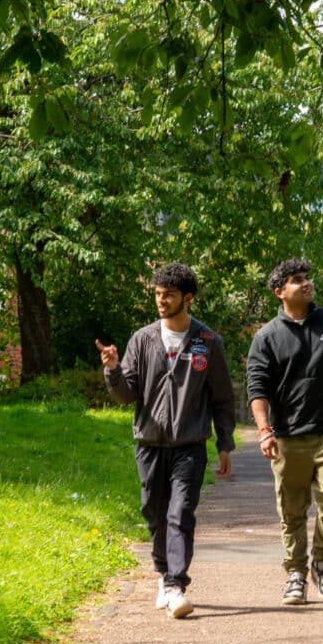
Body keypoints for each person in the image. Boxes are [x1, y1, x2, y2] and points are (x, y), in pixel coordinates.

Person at [97, 263, 236, 620]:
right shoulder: (142, 340)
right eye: (158, 294)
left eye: (169, 295)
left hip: (190, 446)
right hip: (149, 444)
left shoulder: (208, 342)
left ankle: (176, 585)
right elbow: (126, 396)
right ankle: (163, 571)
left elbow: (222, 397)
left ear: (187, 298)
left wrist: (224, 443)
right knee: (154, 513)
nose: (161, 300)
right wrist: (112, 369)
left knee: (180, 513)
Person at [245, 258, 323, 605]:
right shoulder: (267, 337)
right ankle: (296, 574)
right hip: (287, 438)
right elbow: (257, 387)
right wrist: (264, 430)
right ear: (279, 292)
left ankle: (321, 561)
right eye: (296, 280)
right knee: (292, 511)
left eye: (307, 278)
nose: (306, 284)